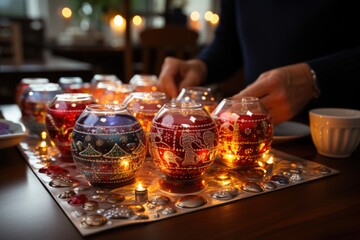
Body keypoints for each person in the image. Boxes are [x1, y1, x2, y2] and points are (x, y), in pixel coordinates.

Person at [157, 0, 360, 125]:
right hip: (263, 138)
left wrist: (313, 78)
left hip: (346, 141)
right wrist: (199, 66)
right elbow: (228, 44)